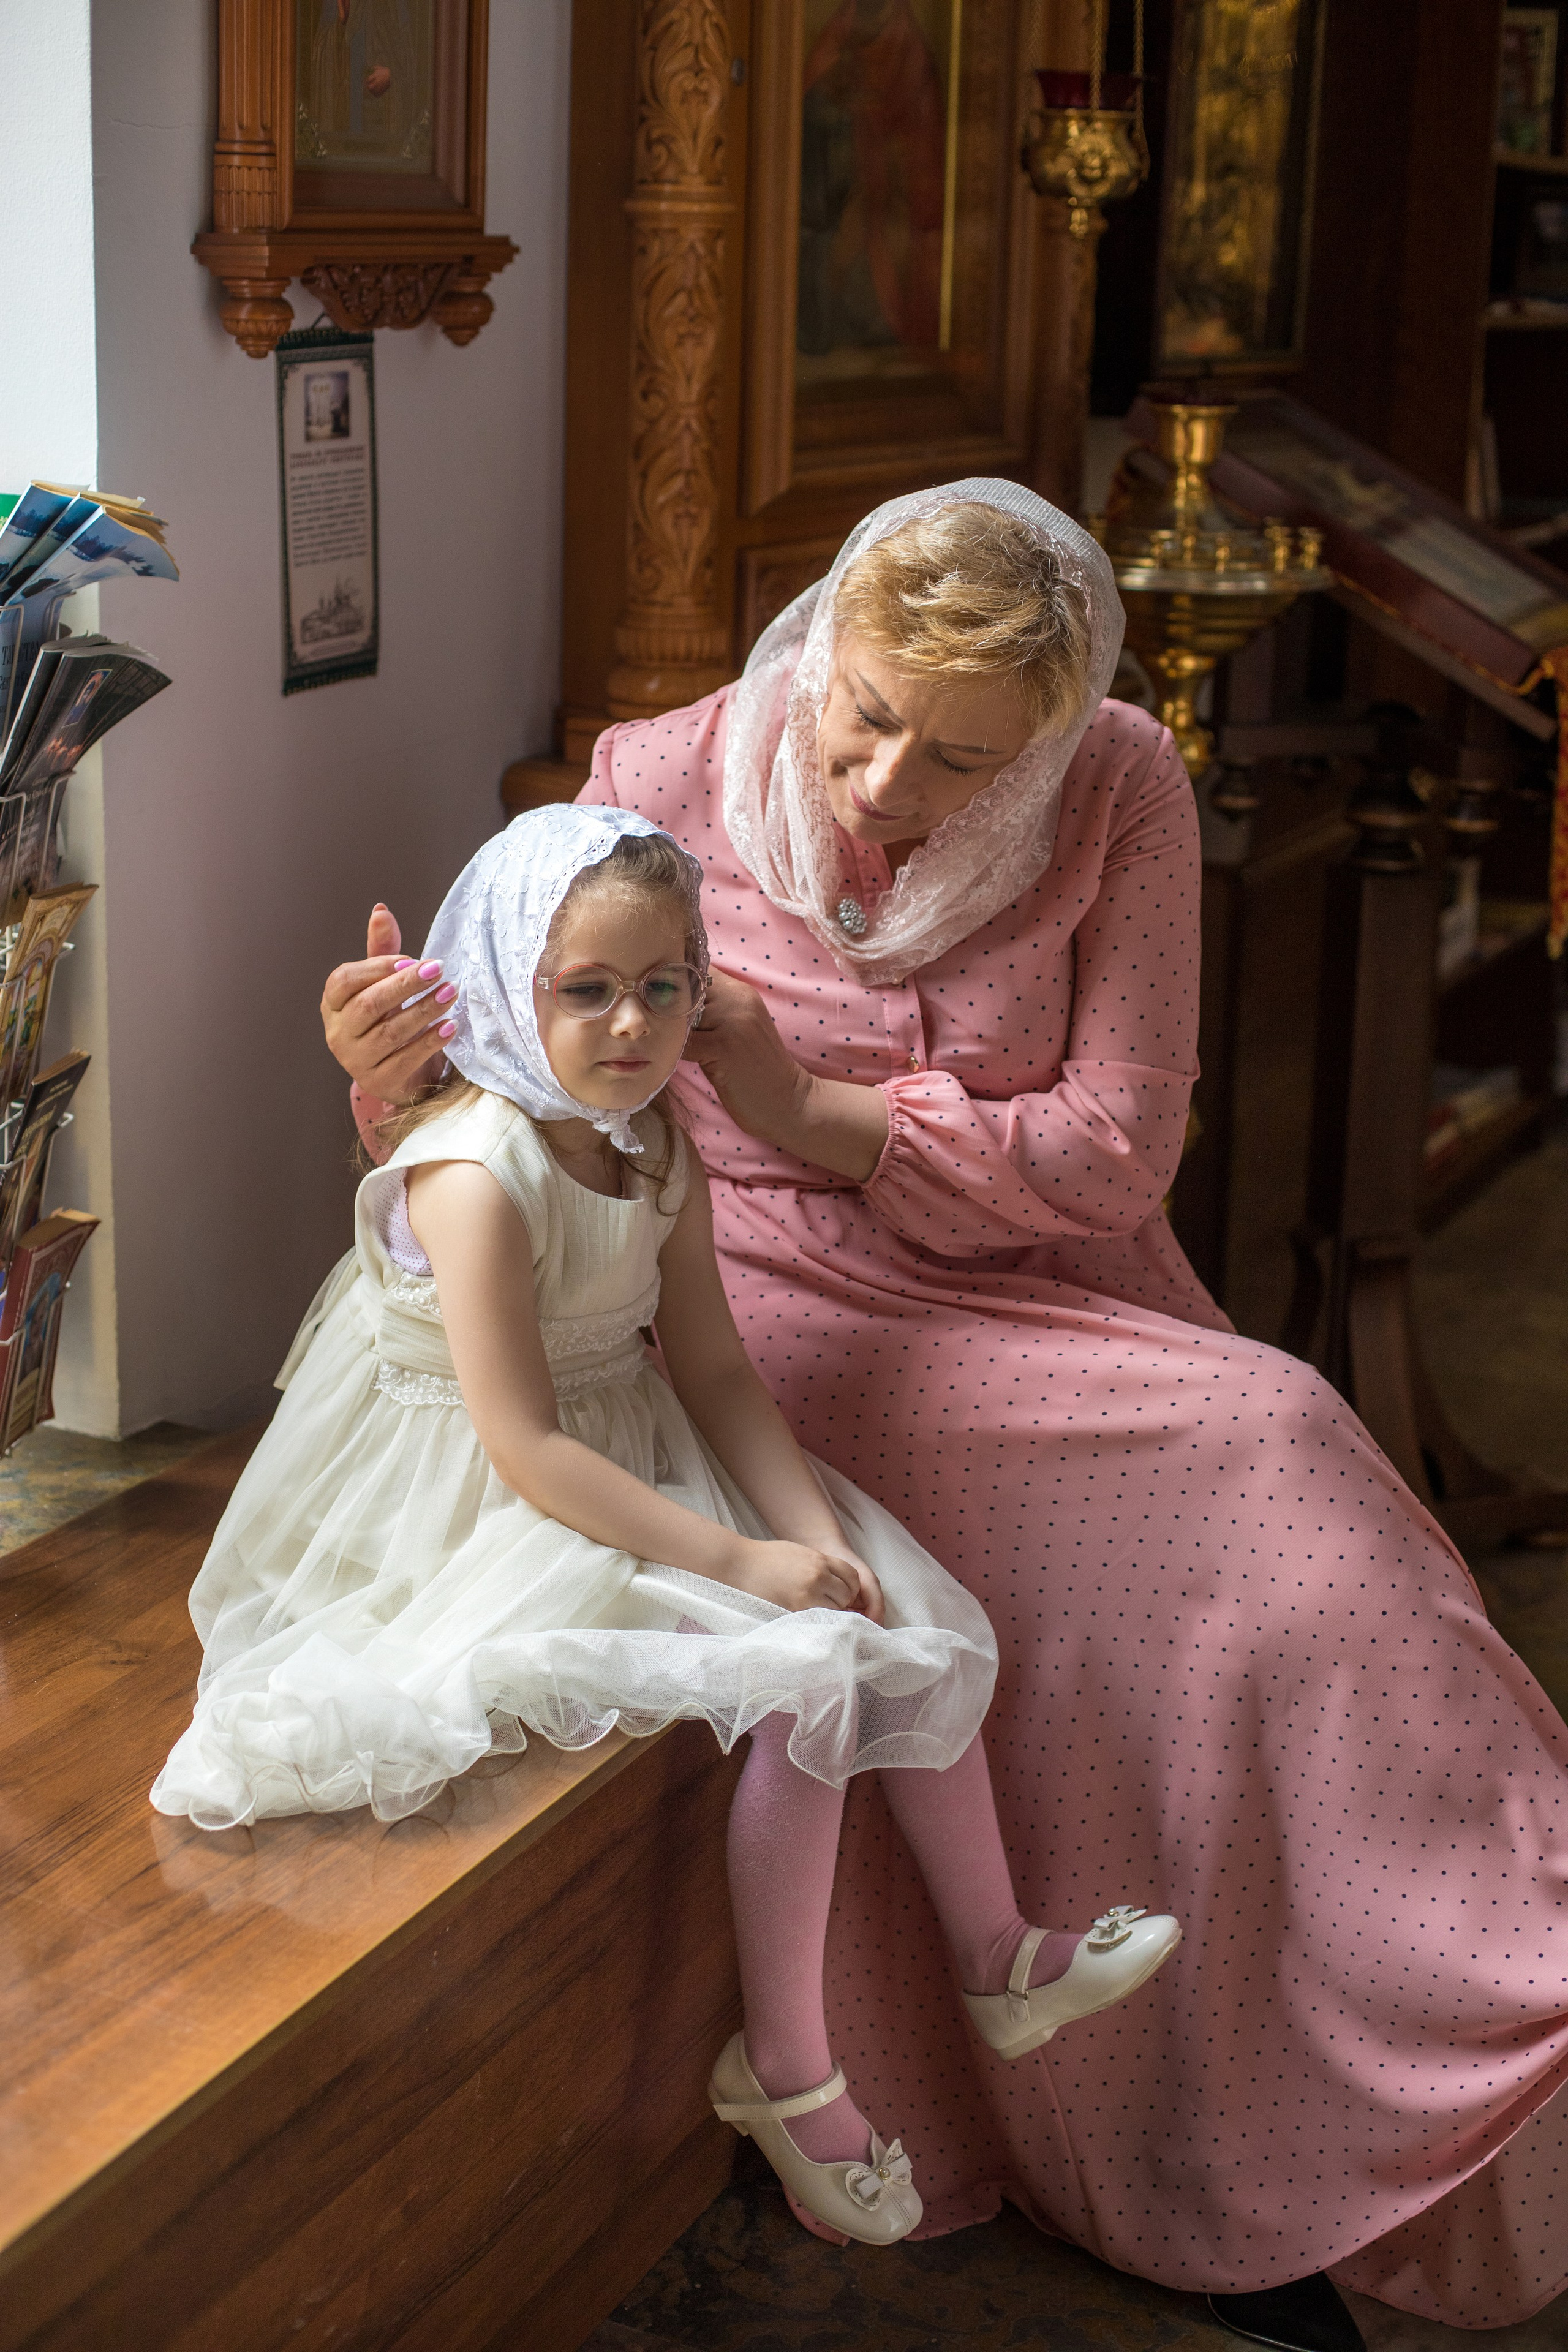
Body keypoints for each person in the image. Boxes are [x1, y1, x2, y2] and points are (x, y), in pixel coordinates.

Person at [322, 487, 1568, 2350]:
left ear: (1056, 732)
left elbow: (1117, 1146)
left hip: (1045, 1281)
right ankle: (1100, 2097)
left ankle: (1436, 2024)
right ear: (819, 646)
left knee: (1284, 1458)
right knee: (1185, 1513)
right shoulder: (657, 766)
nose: (895, 781)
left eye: (965, 757)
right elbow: (521, 1098)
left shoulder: (1123, 785)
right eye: (867, 719)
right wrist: (374, 1081)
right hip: (737, 1299)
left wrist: (807, 1100)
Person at [156, 802, 1180, 2248]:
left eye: (662, 987)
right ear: (509, 981)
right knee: (800, 1675)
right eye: (585, 990)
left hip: (623, 1441)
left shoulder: (650, 1141)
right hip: (465, 1492)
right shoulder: (475, 1172)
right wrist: (743, 1564)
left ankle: (998, 1954)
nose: (629, 1024)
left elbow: (707, 1367)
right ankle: (786, 2071)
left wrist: (811, 1533)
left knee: (902, 1607)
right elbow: (516, 1443)